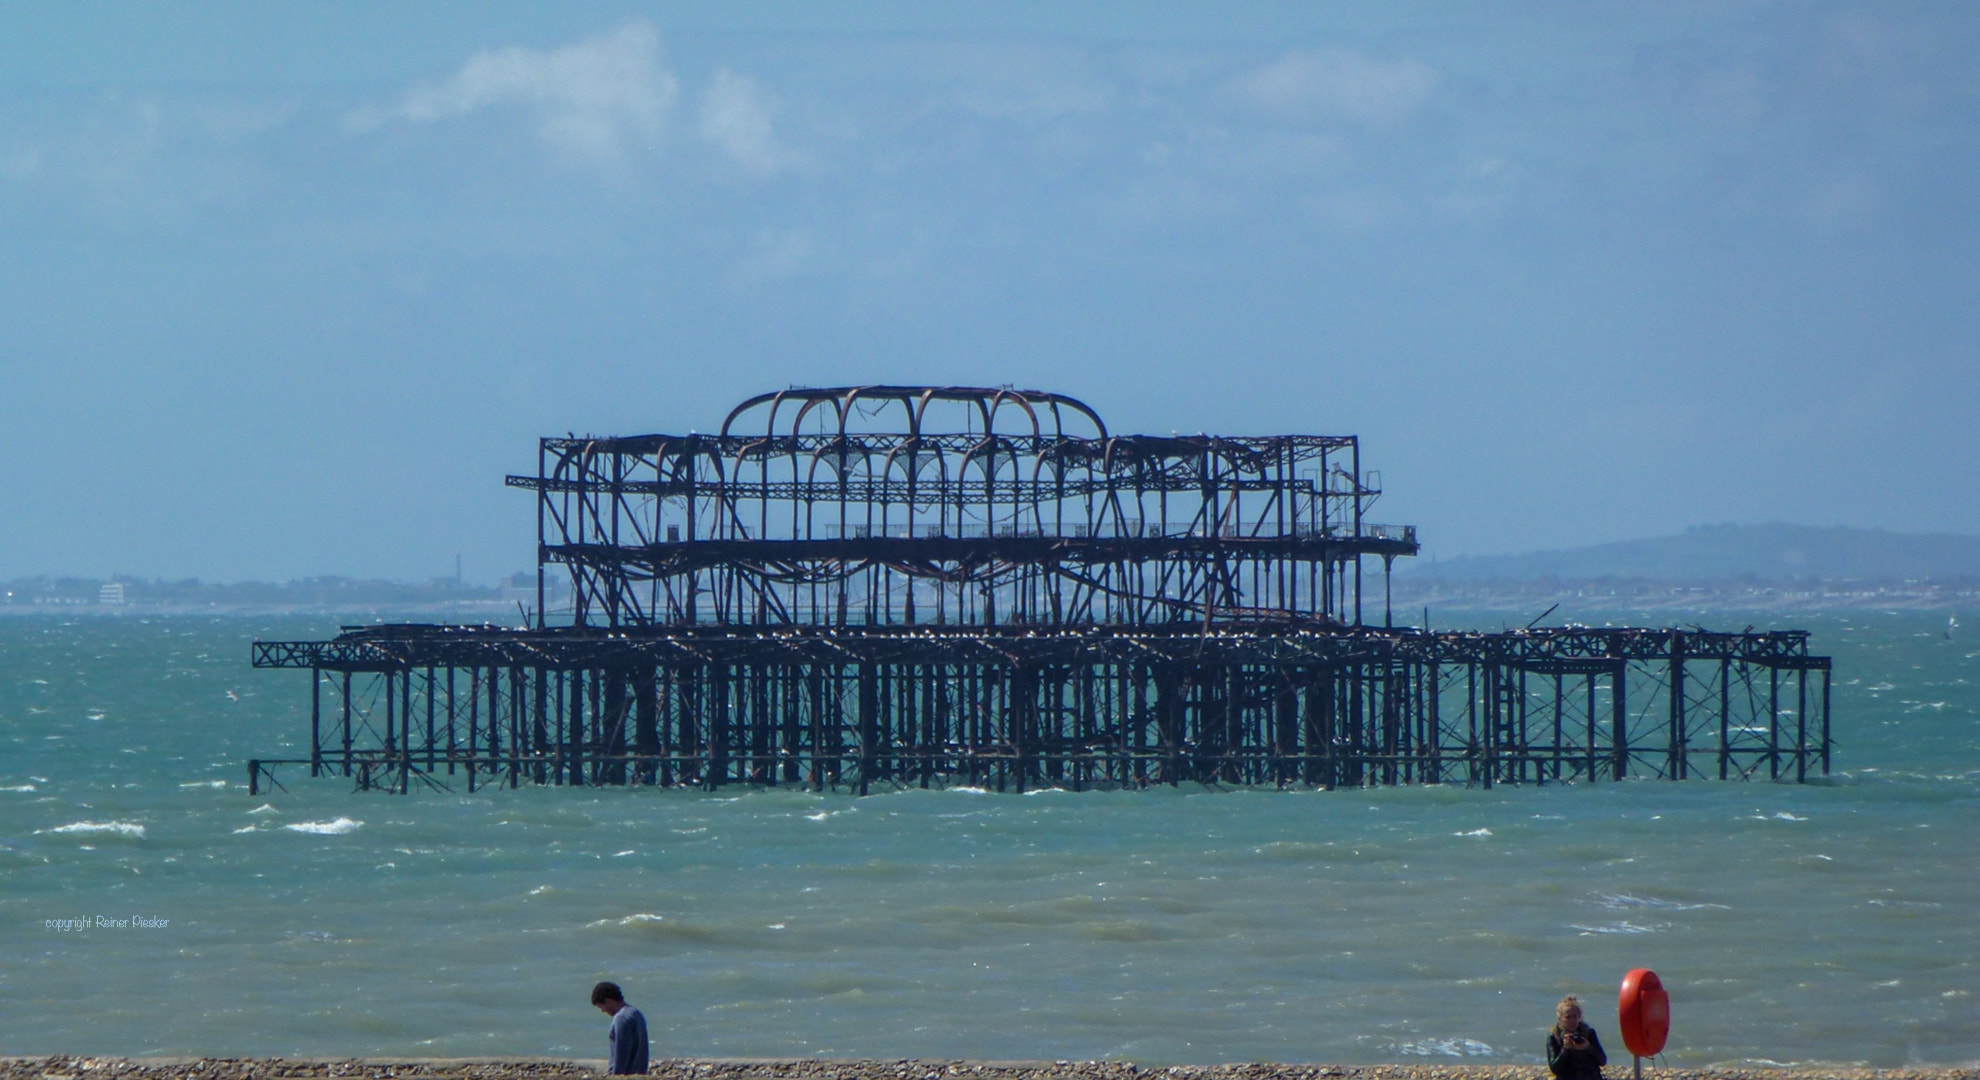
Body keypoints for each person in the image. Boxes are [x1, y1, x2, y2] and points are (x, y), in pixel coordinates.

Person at [591, 980, 649, 1075]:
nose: (602, 1011)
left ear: (608, 1001)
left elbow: (621, 1055)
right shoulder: (637, 1014)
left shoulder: (621, 1019)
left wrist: (616, 1076)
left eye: (601, 1007)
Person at [1547, 994, 1607, 1080]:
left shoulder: (1588, 1033)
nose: (1572, 1021)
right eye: (1568, 1017)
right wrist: (1565, 1050)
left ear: (1579, 1017)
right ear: (1560, 1019)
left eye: (1575, 1016)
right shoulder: (1554, 1036)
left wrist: (1587, 1047)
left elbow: (1602, 1060)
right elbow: (1554, 1068)